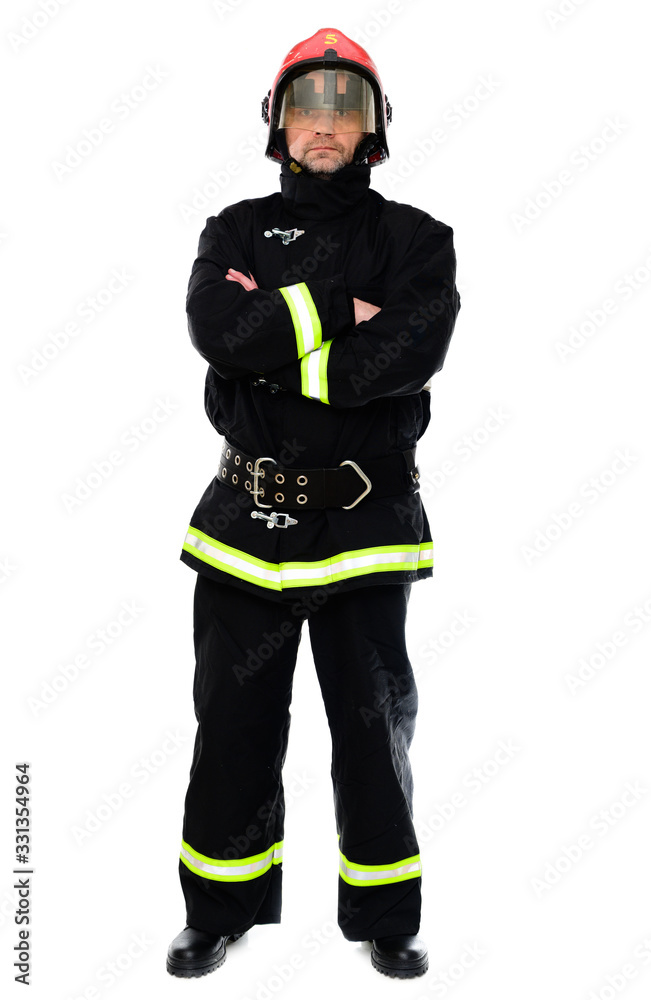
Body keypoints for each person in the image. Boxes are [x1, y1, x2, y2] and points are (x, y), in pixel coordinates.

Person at [166, 27, 460, 980]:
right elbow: (219, 329)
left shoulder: (418, 240)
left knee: (372, 729)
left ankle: (386, 915)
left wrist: (274, 337)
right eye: (307, 104)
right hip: (244, 524)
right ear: (276, 122)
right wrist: (341, 307)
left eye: (345, 105)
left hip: (365, 527)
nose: (325, 123)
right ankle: (219, 909)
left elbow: (405, 356)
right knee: (233, 725)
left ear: (374, 127)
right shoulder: (232, 230)